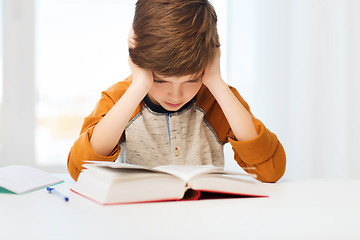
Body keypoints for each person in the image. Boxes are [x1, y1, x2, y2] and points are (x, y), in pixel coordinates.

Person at [67, 0, 286, 182]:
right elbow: (81, 172)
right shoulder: (121, 98)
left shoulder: (218, 99)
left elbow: (271, 171)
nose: (176, 95)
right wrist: (139, 86)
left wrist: (216, 82)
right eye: (161, 81)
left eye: (191, 80)